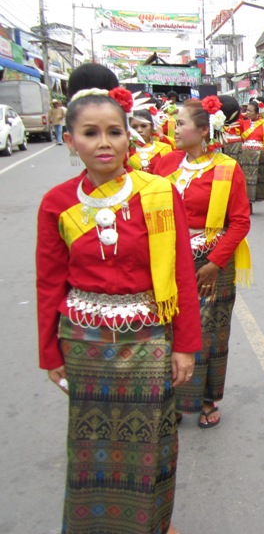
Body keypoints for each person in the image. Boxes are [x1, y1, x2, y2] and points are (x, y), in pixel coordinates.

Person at [37, 87, 201, 534]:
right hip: (84, 347)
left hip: (148, 341)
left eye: (115, 131)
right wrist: (50, 353)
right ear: (70, 141)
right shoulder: (57, 203)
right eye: (90, 133)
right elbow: (50, 282)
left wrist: (185, 346)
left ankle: (155, 524)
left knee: (154, 442)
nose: (104, 142)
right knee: (91, 446)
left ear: (130, 138)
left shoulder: (159, 194)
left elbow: (181, 275)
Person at [155, 96, 251, 429]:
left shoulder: (227, 168)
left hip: (212, 265)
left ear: (203, 129)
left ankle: (208, 398)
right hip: (169, 262)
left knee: (209, 334)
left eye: (181, 123)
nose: (175, 128)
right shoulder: (163, 165)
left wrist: (214, 261)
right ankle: (176, 397)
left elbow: (240, 221)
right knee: (169, 329)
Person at [241, 100, 264, 215]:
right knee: (248, 182)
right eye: (247, 110)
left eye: (250, 111)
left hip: (261, 155)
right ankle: (249, 207)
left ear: (257, 113)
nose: (248, 112)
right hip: (246, 156)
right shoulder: (243, 123)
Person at [129, 108, 172, 173]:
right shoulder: (125, 151)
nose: (139, 130)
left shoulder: (164, 148)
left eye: (144, 126)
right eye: (134, 127)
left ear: (151, 127)